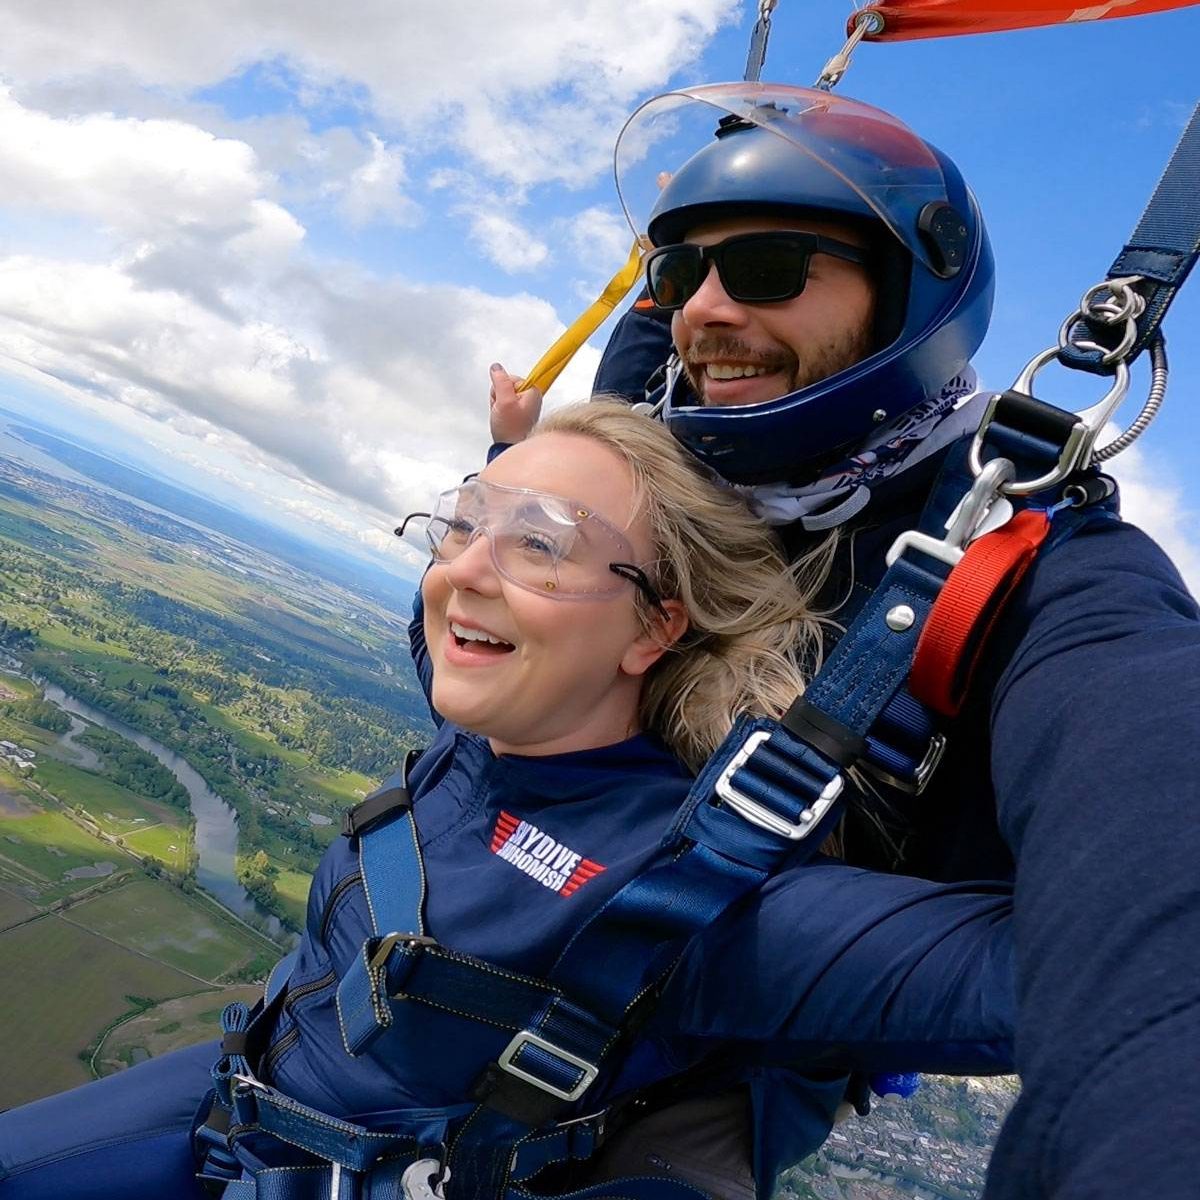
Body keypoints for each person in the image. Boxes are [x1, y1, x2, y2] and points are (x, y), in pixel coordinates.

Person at [0, 401, 1018, 1200]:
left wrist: (1075, 614)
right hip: (227, 1099)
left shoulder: (698, 891)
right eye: (464, 524)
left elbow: (1074, 975)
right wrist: (511, 445)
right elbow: (449, 599)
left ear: (653, 628)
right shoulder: (478, 725)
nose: (464, 573)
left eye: (541, 543)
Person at [521, 83, 1197, 1200]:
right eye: (682, 276)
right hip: (477, 921)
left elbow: (1151, 784)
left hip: (700, 1073)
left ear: (906, 300)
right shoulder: (662, 466)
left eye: (776, 270)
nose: (707, 312)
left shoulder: (1031, 567)